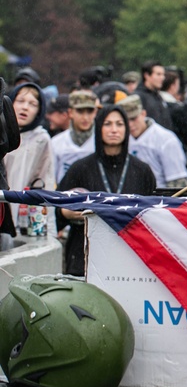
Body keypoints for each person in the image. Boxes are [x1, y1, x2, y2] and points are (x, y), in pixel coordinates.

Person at [58, 104, 156, 276]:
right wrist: (64, 213)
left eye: (119, 124)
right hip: (86, 256)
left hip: (130, 258)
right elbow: (55, 212)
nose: (114, 130)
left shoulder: (142, 171)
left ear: (126, 129)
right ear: (99, 128)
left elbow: (153, 216)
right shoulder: (80, 168)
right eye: (107, 124)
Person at [1, 82, 55, 248]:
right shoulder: (3, 135)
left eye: (32, 104)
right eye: (21, 101)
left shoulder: (41, 140)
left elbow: (46, 180)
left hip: (23, 214)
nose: (25, 108)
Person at [119, 94, 187, 189]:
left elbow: (179, 182)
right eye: (125, 121)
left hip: (159, 196)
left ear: (143, 114)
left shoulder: (166, 139)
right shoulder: (121, 138)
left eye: (133, 118)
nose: (130, 125)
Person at [50, 90, 99, 184]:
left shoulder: (101, 142)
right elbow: (51, 179)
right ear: (70, 112)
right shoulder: (56, 143)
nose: (85, 117)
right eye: (80, 111)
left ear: (95, 112)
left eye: (90, 111)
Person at [135, 60, 172, 131]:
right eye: (158, 74)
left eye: (163, 74)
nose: (162, 78)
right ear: (146, 75)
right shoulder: (138, 97)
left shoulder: (158, 96)